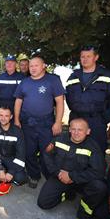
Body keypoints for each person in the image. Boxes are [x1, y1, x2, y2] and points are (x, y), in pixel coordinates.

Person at [37, 118, 107, 219]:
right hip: (60, 177)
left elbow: (99, 171)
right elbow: (47, 155)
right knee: (43, 203)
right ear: (69, 129)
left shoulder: (93, 147)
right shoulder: (59, 139)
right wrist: (57, 173)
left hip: (81, 181)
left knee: (99, 186)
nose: (76, 133)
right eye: (73, 129)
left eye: (80, 130)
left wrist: (72, 176)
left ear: (88, 131)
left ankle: (84, 212)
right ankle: (68, 193)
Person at [14, 56, 65, 188]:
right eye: (31, 66)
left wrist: (58, 122)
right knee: (29, 152)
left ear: (44, 66)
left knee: (47, 151)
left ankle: (50, 176)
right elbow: (18, 101)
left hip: (46, 123)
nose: (33, 68)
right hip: (27, 122)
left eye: (36, 65)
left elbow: (60, 101)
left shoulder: (53, 80)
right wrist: (16, 119)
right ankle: (34, 175)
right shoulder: (24, 82)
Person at [66, 45, 110, 153]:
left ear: (96, 57)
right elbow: (69, 99)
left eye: (88, 56)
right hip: (76, 119)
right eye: (82, 57)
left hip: (97, 122)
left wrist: (104, 119)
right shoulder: (73, 76)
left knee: (97, 153)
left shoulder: (108, 76)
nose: (85, 59)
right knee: (74, 153)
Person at [0, 106, 28, 193]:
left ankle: (6, 177)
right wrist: (0, 169)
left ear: (11, 117)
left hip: (12, 159)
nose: (3, 118)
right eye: (1, 115)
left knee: (20, 179)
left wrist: (11, 172)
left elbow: (21, 155)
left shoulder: (17, 131)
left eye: (6, 116)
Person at [0, 55, 24, 121]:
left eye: (12, 62)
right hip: (1, 108)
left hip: (17, 108)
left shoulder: (22, 78)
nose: (9, 64)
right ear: (5, 64)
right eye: (7, 62)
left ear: (16, 64)